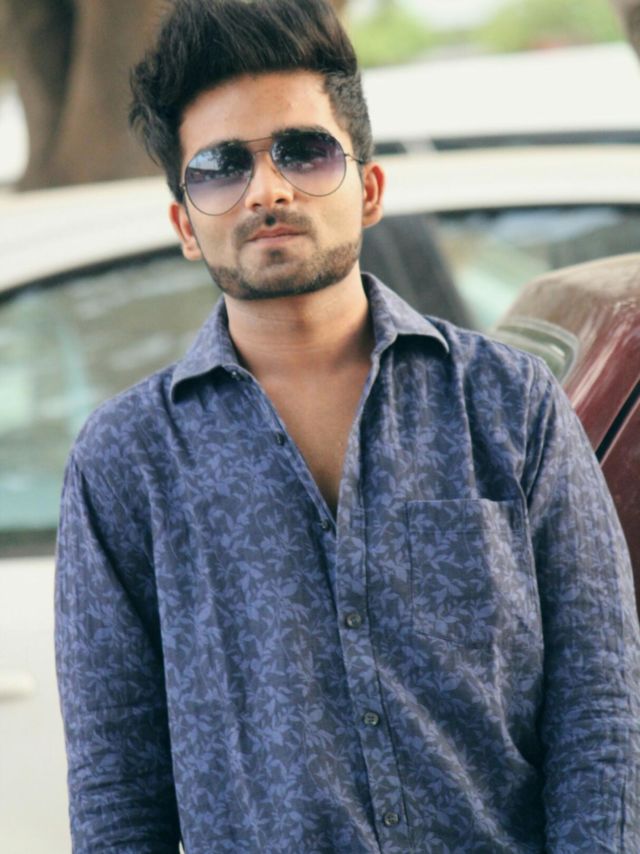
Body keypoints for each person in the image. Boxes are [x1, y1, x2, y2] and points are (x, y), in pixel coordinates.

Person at [55, 1, 640, 851]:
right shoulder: (126, 462)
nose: (269, 189)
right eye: (219, 167)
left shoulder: (509, 405)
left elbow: (602, 709)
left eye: (304, 151)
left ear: (368, 189)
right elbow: (116, 789)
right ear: (186, 224)